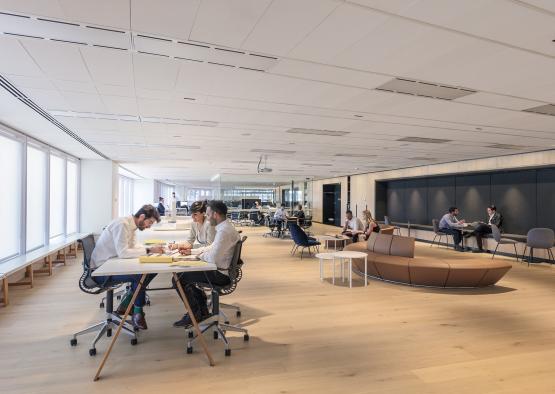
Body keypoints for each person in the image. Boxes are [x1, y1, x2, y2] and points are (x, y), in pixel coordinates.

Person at [90, 205, 163, 330]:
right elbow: (123, 253)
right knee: (139, 275)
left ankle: (128, 300)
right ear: (142, 216)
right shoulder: (122, 225)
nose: (149, 226)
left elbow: (134, 247)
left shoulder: (132, 226)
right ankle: (137, 313)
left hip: (111, 264)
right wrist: (149, 250)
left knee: (152, 270)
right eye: (149, 222)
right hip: (101, 271)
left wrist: (152, 249)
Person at [173, 200, 241, 328]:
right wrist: (191, 252)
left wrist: (197, 256)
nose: (207, 218)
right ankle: (201, 310)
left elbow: (213, 257)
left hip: (220, 274)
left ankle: (195, 313)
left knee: (178, 278)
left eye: (208, 214)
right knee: (183, 275)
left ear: (215, 214)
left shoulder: (224, 231)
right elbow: (210, 248)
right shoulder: (224, 228)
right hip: (220, 269)